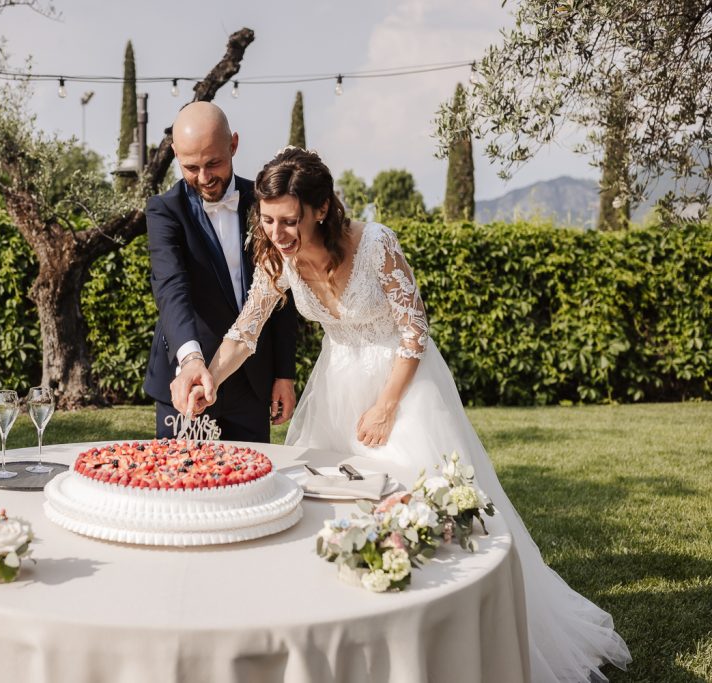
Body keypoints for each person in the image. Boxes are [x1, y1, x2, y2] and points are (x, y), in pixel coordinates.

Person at [171, 147, 631, 683]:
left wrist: (387, 407)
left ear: (321, 208)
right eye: (268, 219)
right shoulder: (276, 257)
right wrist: (210, 377)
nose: (277, 231)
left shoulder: (375, 244)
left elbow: (414, 331)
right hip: (338, 385)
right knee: (332, 514)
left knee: (423, 514)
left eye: (289, 220)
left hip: (403, 385)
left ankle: (448, 648)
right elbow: (246, 332)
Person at [144, 102, 298, 442]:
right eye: (191, 167)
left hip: (252, 382)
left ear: (233, 145)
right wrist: (191, 361)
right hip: (188, 382)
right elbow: (171, 289)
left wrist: (284, 374)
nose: (204, 178)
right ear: (175, 154)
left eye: (213, 163)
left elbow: (282, 292)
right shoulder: (163, 211)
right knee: (181, 485)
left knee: (251, 485)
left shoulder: (264, 203)